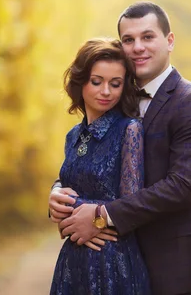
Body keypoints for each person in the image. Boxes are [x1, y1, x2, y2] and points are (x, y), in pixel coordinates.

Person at [49, 1, 191, 295]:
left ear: (169, 41)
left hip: (178, 273)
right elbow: (93, 160)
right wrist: (58, 192)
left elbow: (182, 187)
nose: (138, 47)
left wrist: (100, 215)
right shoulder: (115, 96)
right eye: (128, 40)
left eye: (147, 36)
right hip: (119, 268)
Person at [49, 38, 151, 295]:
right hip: (73, 260)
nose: (106, 91)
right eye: (97, 82)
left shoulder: (129, 130)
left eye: (115, 84)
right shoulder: (73, 136)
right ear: (80, 82)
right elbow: (69, 181)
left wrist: (90, 216)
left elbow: (130, 202)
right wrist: (55, 194)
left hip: (112, 261)